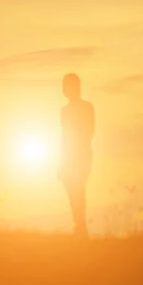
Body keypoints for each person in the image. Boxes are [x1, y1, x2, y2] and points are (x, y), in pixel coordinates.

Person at [58, 73, 94, 238]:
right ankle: (79, 226)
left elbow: (88, 132)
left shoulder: (87, 107)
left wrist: (77, 154)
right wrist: (62, 161)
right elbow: (64, 136)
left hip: (82, 155)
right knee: (72, 192)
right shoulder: (64, 111)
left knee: (78, 189)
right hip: (69, 156)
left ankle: (81, 228)